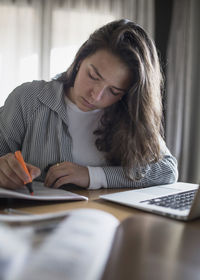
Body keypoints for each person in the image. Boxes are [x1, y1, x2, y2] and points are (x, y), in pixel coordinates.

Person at [0, 19, 178, 191]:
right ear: (79, 61)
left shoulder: (129, 115)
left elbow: (168, 169)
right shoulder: (29, 98)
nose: (96, 95)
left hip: (105, 218)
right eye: (93, 76)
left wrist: (93, 176)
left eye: (114, 91)